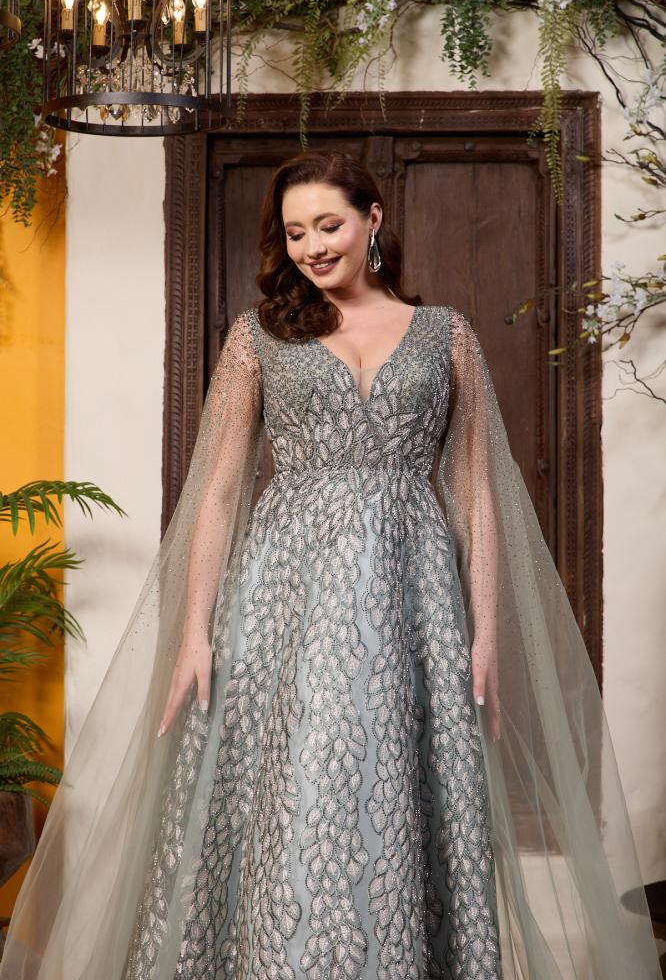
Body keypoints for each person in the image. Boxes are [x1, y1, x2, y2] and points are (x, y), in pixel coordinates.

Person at [0, 149, 660, 980]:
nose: (312, 246)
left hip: (413, 601)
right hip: (285, 598)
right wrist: (196, 631)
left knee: (396, 795)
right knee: (293, 791)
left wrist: (485, 635)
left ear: (372, 220)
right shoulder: (258, 338)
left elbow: (475, 495)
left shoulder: (448, 336)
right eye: (295, 232)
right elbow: (219, 491)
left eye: (328, 225)